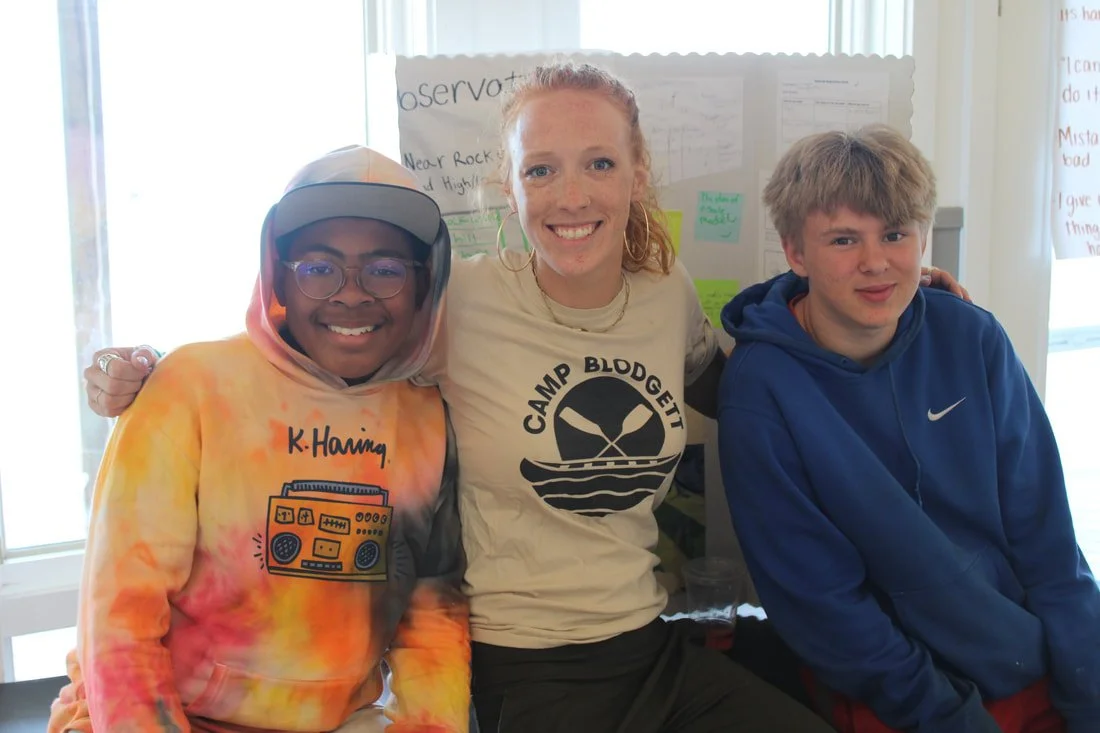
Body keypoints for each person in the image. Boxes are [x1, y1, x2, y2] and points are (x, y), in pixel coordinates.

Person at [79, 64, 965, 732]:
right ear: (508, 188)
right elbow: (323, 335)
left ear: (636, 175)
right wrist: (152, 370)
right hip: (519, 667)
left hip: (650, 646)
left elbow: (757, 389)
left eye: (598, 163)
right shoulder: (457, 301)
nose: (570, 194)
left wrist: (876, 307)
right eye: (540, 170)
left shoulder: (665, 295)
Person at [49, 146, 470, 733]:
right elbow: (121, 618)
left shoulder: (425, 418)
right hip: (155, 714)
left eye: (385, 269)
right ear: (279, 279)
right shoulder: (189, 389)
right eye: (318, 268)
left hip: (336, 720)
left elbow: (432, 620)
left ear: (424, 283)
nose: (352, 294)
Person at [716, 124, 1100, 733]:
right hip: (900, 693)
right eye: (844, 239)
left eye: (895, 234)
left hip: (1028, 659)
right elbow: (826, 611)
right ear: (795, 252)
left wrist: (1087, 691)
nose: (875, 262)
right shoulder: (761, 390)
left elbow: (1049, 540)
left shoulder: (972, 336)